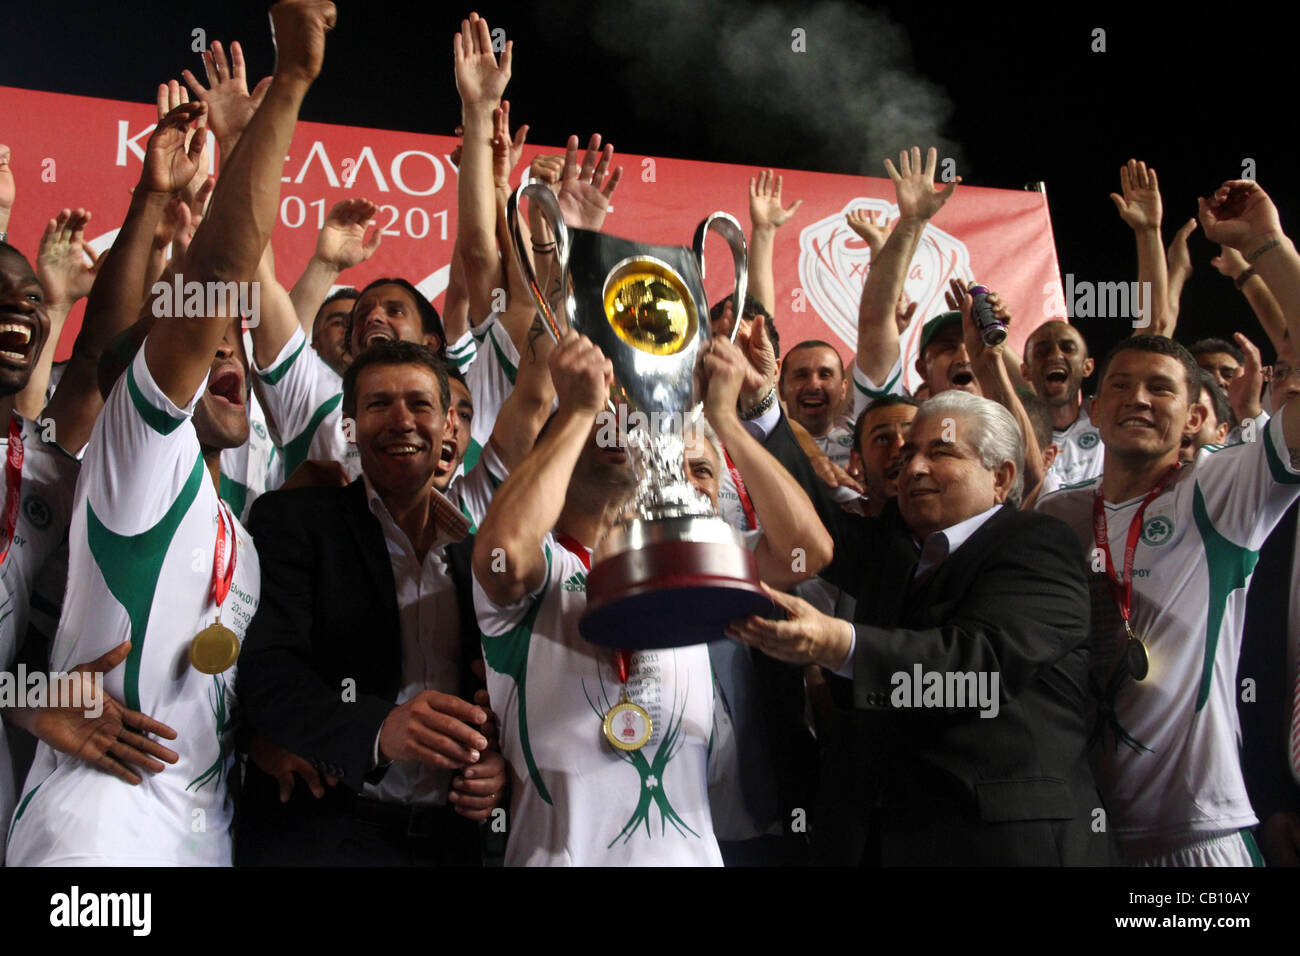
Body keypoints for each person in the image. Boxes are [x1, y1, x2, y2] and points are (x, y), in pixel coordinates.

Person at [471, 330, 831, 865]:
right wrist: (576, 412)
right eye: (606, 416)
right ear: (555, 453)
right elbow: (502, 551)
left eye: (634, 418)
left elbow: (808, 551)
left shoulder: (686, 559)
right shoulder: (540, 569)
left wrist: (727, 421)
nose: (622, 423)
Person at [735, 390, 1109, 865]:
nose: (911, 467)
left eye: (941, 452)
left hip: (998, 847)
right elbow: (815, 526)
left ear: (1001, 477)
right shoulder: (893, 548)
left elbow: (975, 674)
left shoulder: (1037, 545)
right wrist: (758, 408)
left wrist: (837, 643)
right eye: (909, 453)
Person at [236, 341, 507, 865]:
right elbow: (266, 673)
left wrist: (497, 762)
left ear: (449, 423)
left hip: (450, 845)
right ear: (351, 425)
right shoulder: (294, 522)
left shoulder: (480, 552)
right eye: (379, 405)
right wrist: (380, 731)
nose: (401, 421)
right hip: (324, 838)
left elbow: (501, 694)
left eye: (420, 404)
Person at [1239, 336, 1300, 866]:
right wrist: (1273, 800)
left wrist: (1266, 252)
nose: (1295, 385)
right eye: (1284, 374)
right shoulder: (1256, 520)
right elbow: (1251, 673)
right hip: (1280, 801)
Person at [1022, 320, 1102, 496]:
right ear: (1025, 371)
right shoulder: (1020, 435)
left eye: (1068, 348)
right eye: (1042, 352)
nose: (1055, 356)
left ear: (1087, 367)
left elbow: (1156, 326)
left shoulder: (1105, 416)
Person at [778, 340, 853, 468]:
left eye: (825, 375)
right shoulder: (760, 447)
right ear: (781, 389)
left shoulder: (860, 448)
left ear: (843, 389)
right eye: (801, 376)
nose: (813, 386)